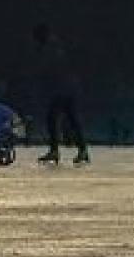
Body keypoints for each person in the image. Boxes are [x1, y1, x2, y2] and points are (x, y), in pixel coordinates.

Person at [33, 24, 91, 165]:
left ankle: (59, 151)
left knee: (57, 118)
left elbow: (52, 66)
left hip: (63, 88)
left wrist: (41, 74)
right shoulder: (55, 46)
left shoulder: (51, 47)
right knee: (68, 119)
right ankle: (81, 150)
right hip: (65, 88)